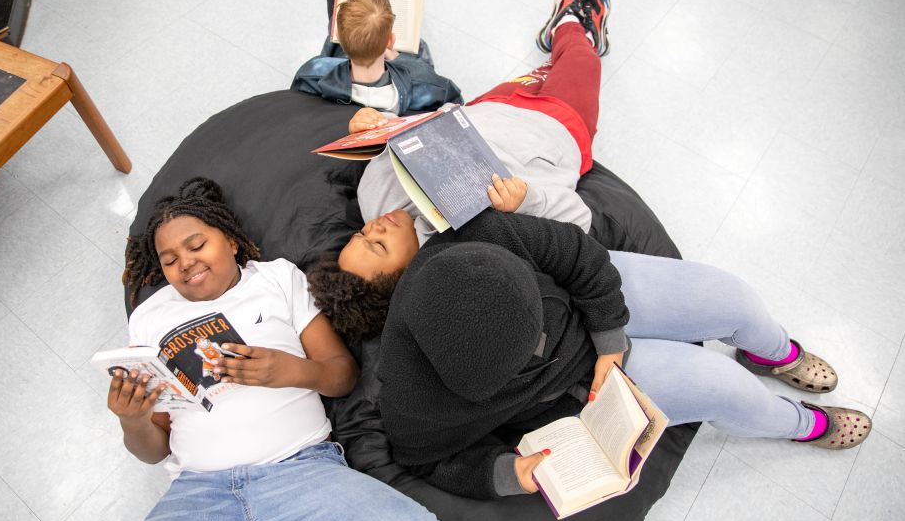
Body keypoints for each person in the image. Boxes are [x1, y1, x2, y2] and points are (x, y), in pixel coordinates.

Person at [85, 178, 451, 521]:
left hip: (302, 472)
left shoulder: (277, 279)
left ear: (231, 242)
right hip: (199, 497)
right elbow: (153, 451)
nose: (185, 263)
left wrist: (289, 371)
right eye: (169, 260)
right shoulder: (149, 318)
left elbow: (343, 375)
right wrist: (132, 421)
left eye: (196, 245)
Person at [360, 210, 870, 500]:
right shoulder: (411, 398)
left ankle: (776, 354)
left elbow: (577, 254)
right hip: (582, 392)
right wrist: (502, 474)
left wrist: (608, 336)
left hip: (594, 301)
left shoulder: (478, 234)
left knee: (734, 299)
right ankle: (801, 423)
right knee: (724, 388)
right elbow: (426, 461)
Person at [345, 0, 613, 250]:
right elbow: (580, 218)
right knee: (582, 58)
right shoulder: (476, 241)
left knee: (552, 69)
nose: (374, 228)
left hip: (490, 107)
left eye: (361, 234)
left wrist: (374, 125)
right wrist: (525, 200)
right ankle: (572, 24)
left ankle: (564, 33)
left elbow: (399, 137)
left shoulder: (373, 199)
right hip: (556, 130)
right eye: (378, 245)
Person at [291, 0, 462, 115]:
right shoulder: (428, 84)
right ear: (390, 41)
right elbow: (455, 103)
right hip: (404, 67)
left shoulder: (312, 73)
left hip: (345, 54)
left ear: (337, 35)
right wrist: (397, 57)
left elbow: (298, 100)